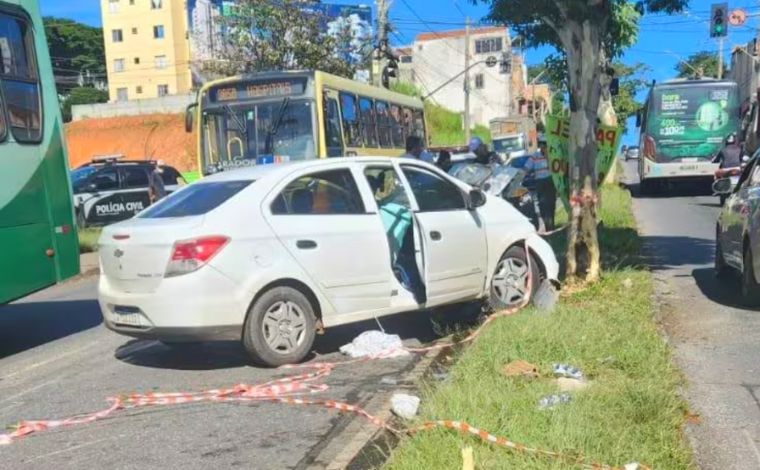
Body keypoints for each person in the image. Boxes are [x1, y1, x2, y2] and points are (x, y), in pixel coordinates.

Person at [523, 137, 556, 232]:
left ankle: (551, 227)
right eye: (542, 145)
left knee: (551, 204)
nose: (544, 147)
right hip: (540, 183)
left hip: (550, 182)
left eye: (545, 145)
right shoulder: (535, 156)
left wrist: (548, 156)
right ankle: (547, 227)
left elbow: (554, 168)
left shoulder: (552, 155)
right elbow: (526, 168)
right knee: (542, 206)